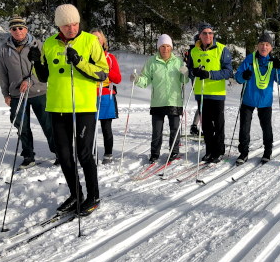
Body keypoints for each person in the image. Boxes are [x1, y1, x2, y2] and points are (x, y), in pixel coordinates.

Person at [30, 4, 108, 216]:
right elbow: (45, 76)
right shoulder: (49, 43)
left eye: (74, 24)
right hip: (57, 106)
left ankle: (93, 195)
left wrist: (80, 62)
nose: (71, 28)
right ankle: (76, 194)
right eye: (66, 25)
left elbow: (103, 73)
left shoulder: (90, 41)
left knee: (84, 153)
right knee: (64, 155)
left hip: (83, 106)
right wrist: (36, 62)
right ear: (58, 26)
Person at [0, 16, 56, 169]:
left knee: (48, 124)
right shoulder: (5, 48)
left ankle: (58, 153)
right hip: (17, 93)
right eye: (14, 28)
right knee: (21, 126)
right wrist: (6, 93)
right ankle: (28, 156)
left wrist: (31, 80)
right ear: (10, 30)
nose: (17, 31)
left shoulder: (38, 45)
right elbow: (3, 72)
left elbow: (45, 69)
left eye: (20, 28)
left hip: (39, 91)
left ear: (26, 29)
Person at [132, 34, 189, 163]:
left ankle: (174, 152)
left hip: (174, 101)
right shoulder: (152, 61)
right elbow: (145, 79)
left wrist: (186, 73)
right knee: (157, 130)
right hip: (157, 102)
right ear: (159, 47)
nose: (165, 49)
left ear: (171, 48)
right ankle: (155, 153)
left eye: (168, 46)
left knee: (175, 129)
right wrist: (137, 79)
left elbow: (184, 81)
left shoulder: (178, 61)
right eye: (162, 46)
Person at [234, 32, 280, 165]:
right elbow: (238, 78)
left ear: (271, 48)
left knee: (266, 127)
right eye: (262, 44)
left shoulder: (273, 62)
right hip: (248, 99)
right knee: (244, 128)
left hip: (264, 100)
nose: (264, 47)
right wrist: (243, 76)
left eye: (267, 45)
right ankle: (243, 152)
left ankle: (267, 151)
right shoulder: (249, 59)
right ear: (257, 46)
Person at [187, 23, 233, 163]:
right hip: (201, 92)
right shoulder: (193, 51)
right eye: (205, 33)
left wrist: (209, 74)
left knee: (218, 123)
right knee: (206, 125)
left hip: (216, 92)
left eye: (210, 33)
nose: (208, 36)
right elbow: (189, 69)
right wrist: (193, 72)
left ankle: (218, 150)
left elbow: (228, 71)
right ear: (199, 35)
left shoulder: (221, 49)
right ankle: (209, 150)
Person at [90, 29, 121, 164]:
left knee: (106, 128)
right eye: (93, 38)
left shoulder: (110, 58)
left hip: (106, 95)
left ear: (103, 41)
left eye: (98, 38)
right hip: (89, 95)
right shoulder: (85, 57)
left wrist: (106, 70)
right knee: (89, 127)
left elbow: (118, 79)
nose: (96, 41)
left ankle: (108, 153)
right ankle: (90, 152)